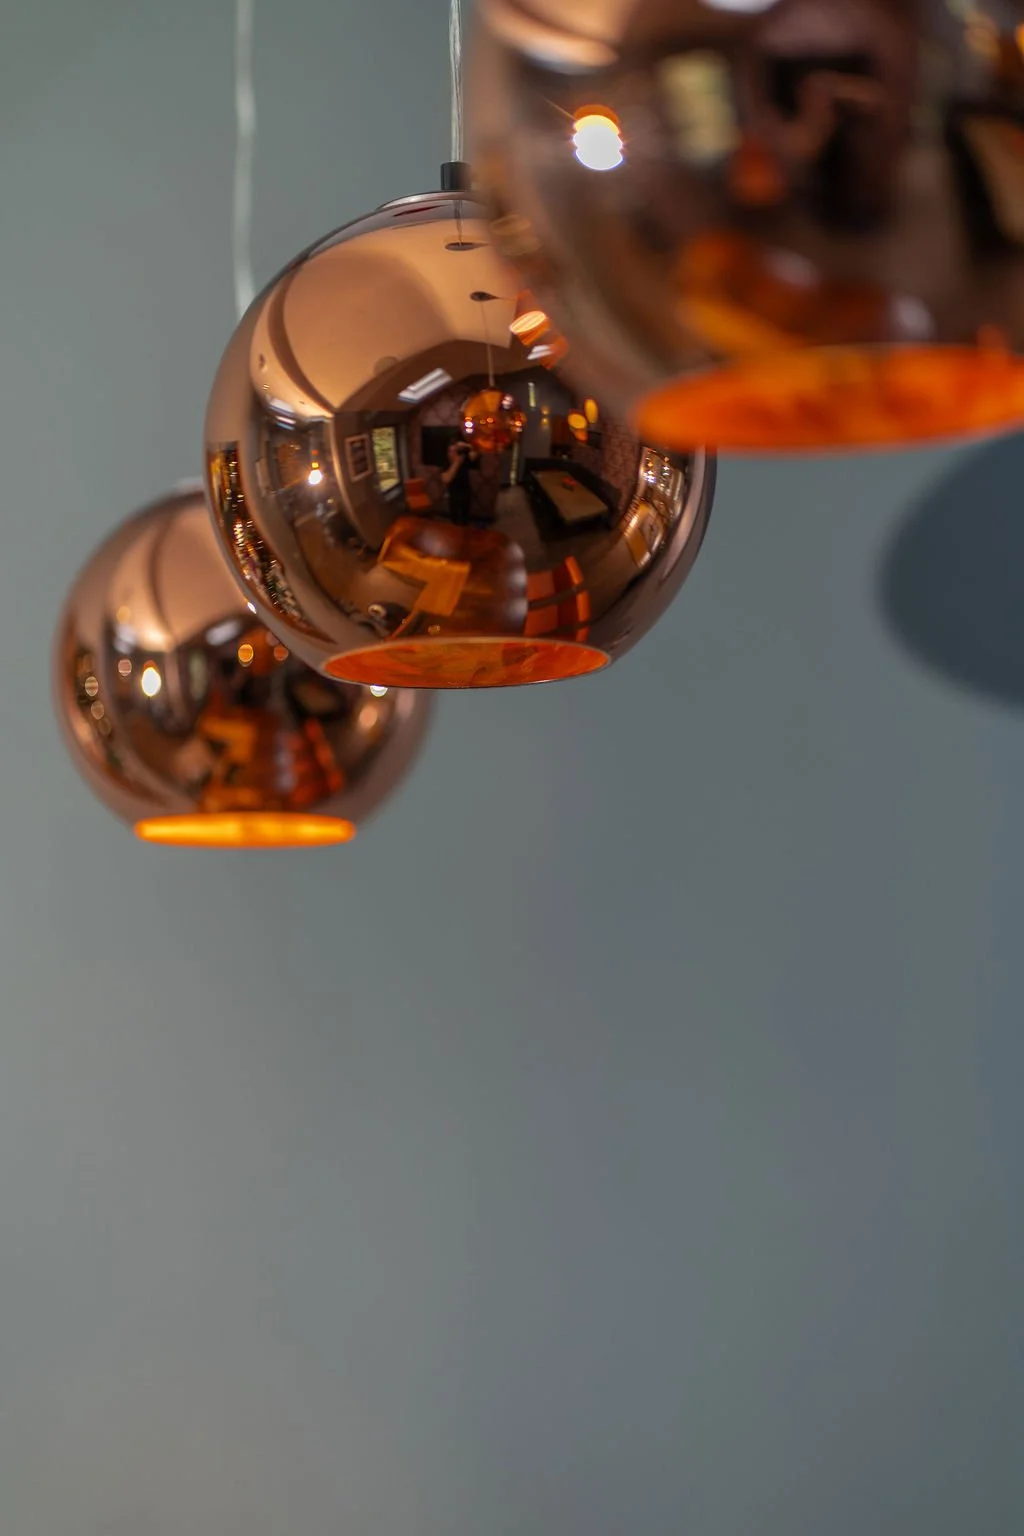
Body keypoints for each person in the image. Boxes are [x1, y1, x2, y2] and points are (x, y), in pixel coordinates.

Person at [441, 437, 479, 525]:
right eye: (449, 451)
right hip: (454, 495)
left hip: (466, 493)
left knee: (465, 520)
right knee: (455, 521)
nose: (451, 454)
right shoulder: (447, 464)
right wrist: (456, 463)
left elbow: (476, 452)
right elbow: (446, 479)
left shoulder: (464, 460)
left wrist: (467, 445)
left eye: (454, 451)